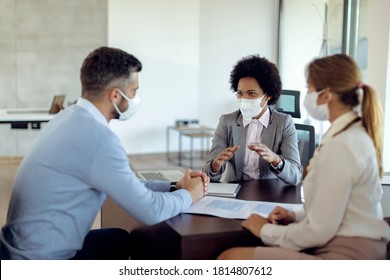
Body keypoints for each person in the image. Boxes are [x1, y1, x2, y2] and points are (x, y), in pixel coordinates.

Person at [0, 46, 208, 260]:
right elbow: (151, 210)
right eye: (134, 91)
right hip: (40, 262)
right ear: (116, 96)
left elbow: (126, 183)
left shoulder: (67, 117)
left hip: (15, 249)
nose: (135, 98)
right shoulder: (98, 139)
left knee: (117, 239)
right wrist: (190, 194)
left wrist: (175, 186)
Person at [218, 54, 390, 260]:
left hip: (345, 253)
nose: (305, 95)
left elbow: (318, 230)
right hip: (340, 241)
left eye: (308, 88)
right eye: (240, 93)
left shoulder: (342, 145)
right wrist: (295, 215)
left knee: (230, 259)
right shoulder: (348, 135)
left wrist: (265, 230)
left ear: (326, 96)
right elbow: (334, 208)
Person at [202, 55, 302, 185]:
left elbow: (295, 176)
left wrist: (276, 159)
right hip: (236, 191)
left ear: (268, 96)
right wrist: (215, 165)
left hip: (270, 193)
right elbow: (207, 174)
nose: (244, 99)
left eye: (251, 93)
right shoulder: (227, 121)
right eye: (240, 93)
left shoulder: (284, 123)